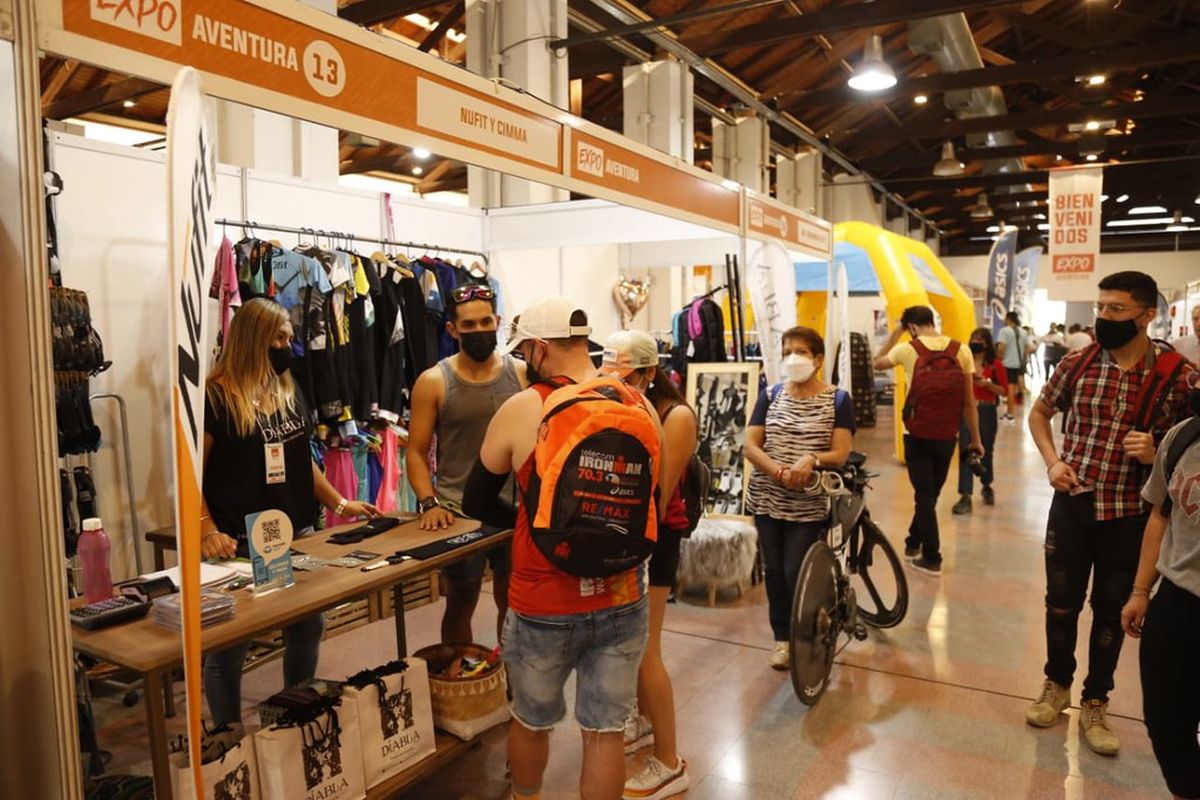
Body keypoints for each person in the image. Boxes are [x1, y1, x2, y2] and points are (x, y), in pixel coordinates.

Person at [462, 297, 664, 800]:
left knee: (531, 722)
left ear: (537, 348)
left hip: (542, 599)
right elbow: (652, 501)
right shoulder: (638, 405)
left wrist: (532, 523)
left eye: (523, 351)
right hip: (622, 593)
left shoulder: (524, 407)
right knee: (605, 732)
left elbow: (475, 501)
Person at [1026, 271, 1193, 756]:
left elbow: (1191, 444)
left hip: (1131, 513)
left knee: (1111, 611)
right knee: (1060, 602)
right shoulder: (1077, 363)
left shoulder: (1178, 375)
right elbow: (1039, 413)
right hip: (1073, 504)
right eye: (1100, 307)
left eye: (1116, 309)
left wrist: (1158, 450)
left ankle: (1096, 700)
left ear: (1147, 315)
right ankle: (1056, 683)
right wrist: (1053, 462)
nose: (1103, 317)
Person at [199, 298, 381, 725]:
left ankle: (295, 715)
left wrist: (339, 502)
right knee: (229, 647)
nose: (288, 347)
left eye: (290, 338)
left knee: (307, 627)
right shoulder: (215, 398)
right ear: (254, 339)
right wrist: (206, 529)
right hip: (238, 542)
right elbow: (191, 475)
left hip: (294, 532)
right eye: (280, 338)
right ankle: (228, 737)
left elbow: (301, 460)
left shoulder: (284, 389)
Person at [599, 331, 696, 800]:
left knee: (648, 649)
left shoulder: (676, 416)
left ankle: (670, 763)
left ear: (649, 373)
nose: (617, 383)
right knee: (631, 644)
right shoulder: (622, 404)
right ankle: (640, 720)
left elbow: (657, 494)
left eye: (627, 375)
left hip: (657, 538)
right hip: (627, 536)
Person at [406, 283, 526, 645]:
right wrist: (429, 503)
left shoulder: (522, 374)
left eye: (485, 322)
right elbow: (415, 452)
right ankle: (456, 672)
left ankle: (510, 673)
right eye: (469, 325)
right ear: (452, 329)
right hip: (459, 512)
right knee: (460, 603)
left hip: (515, 510)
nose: (479, 330)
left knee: (514, 604)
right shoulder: (433, 382)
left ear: (498, 321)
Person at [745, 326, 854, 666]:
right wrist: (779, 471)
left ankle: (808, 629)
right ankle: (783, 639)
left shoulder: (838, 399)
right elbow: (750, 445)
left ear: (818, 359)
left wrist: (812, 459)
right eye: (787, 351)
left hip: (808, 502)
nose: (793, 358)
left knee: (796, 570)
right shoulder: (771, 394)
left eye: (801, 352)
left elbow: (840, 453)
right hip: (767, 497)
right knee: (774, 571)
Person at [1121, 392, 1200, 800]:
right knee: (1166, 720)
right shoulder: (1184, 436)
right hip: (1177, 600)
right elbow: (1160, 516)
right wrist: (1140, 590)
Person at [874, 306, 982, 576]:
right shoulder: (961, 350)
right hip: (947, 434)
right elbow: (969, 402)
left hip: (916, 434)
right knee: (930, 494)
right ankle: (913, 542)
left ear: (911, 326)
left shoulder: (907, 348)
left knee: (924, 495)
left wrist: (896, 333)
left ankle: (932, 557)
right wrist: (976, 439)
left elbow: (877, 362)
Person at [952, 328, 1007, 515]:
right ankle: (965, 495)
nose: (976, 342)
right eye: (974, 339)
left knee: (986, 451)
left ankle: (986, 483)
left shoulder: (995, 365)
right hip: (967, 411)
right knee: (966, 451)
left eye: (980, 340)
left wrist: (988, 384)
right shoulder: (963, 362)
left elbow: (1004, 391)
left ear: (987, 343)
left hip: (987, 410)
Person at [997, 312, 1028, 421]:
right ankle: (1010, 412)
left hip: (1006, 364)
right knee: (1012, 388)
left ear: (1008, 319)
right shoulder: (1023, 332)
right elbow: (1027, 348)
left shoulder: (1004, 331)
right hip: (1017, 364)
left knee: (1009, 389)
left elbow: (1001, 347)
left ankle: (1009, 414)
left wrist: (999, 359)